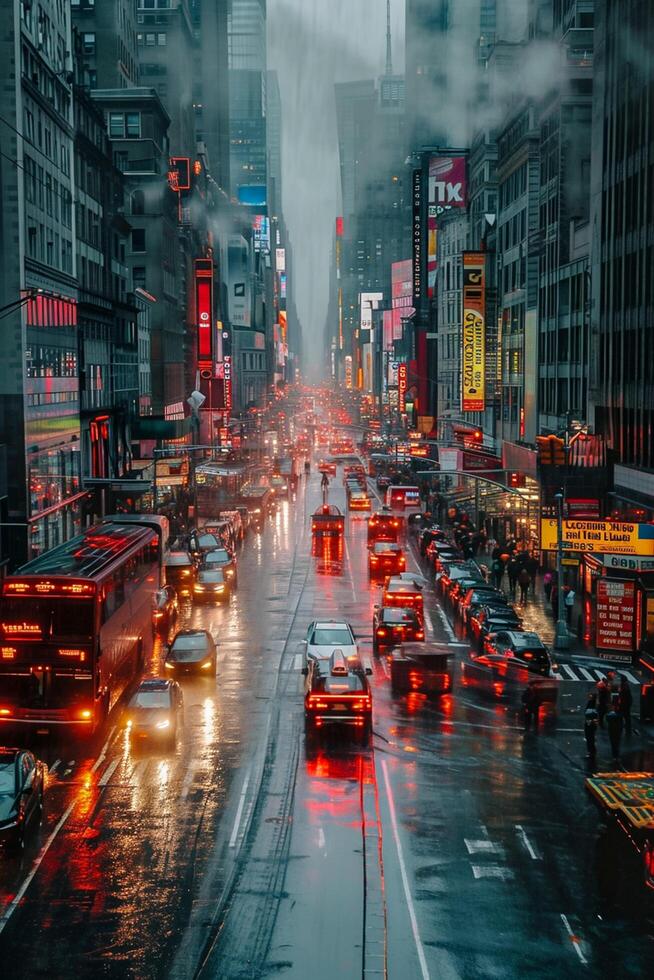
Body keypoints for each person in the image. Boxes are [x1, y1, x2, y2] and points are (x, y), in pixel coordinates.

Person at [606, 695, 624, 761]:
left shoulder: (611, 710)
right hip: (618, 728)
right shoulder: (620, 709)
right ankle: (616, 755)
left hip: (612, 728)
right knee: (617, 742)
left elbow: (607, 718)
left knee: (613, 742)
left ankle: (615, 755)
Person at [584, 693, 599, 758]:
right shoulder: (595, 704)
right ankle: (592, 751)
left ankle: (591, 751)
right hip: (592, 722)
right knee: (591, 737)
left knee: (589, 737)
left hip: (589, 722)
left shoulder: (591, 703)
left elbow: (587, 712)